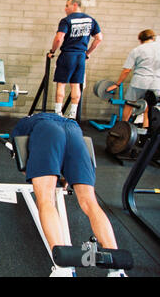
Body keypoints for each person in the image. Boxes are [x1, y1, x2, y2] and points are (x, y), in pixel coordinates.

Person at [11, 112, 126, 277]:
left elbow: (23, 158)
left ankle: (62, 269)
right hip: (75, 131)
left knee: (46, 200)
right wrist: (64, 174)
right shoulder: (67, 122)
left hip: (46, 131)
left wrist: (38, 174)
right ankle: (117, 269)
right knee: (90, 202)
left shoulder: (24, 123)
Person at [48, 0, 103, 120]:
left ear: (75, 5)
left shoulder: (67, 20)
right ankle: (73, 112)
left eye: (67, 5)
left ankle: (58, 112)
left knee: (61, 84)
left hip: (68, 55)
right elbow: (99, 38)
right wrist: (87, 53)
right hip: (80, 56)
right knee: (75, 85)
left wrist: (52, 52)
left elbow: (58, 38)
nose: (65, 8)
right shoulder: (91, 20)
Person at [106, 29, 160, 128]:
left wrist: (117, 84)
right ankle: (145, 133)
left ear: (140, 40)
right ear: (153, 38)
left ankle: (123, 127)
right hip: (156, 84)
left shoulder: (137, 50)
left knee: (129, 104)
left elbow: (126, 70)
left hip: (139, 82)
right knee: (149, 108)